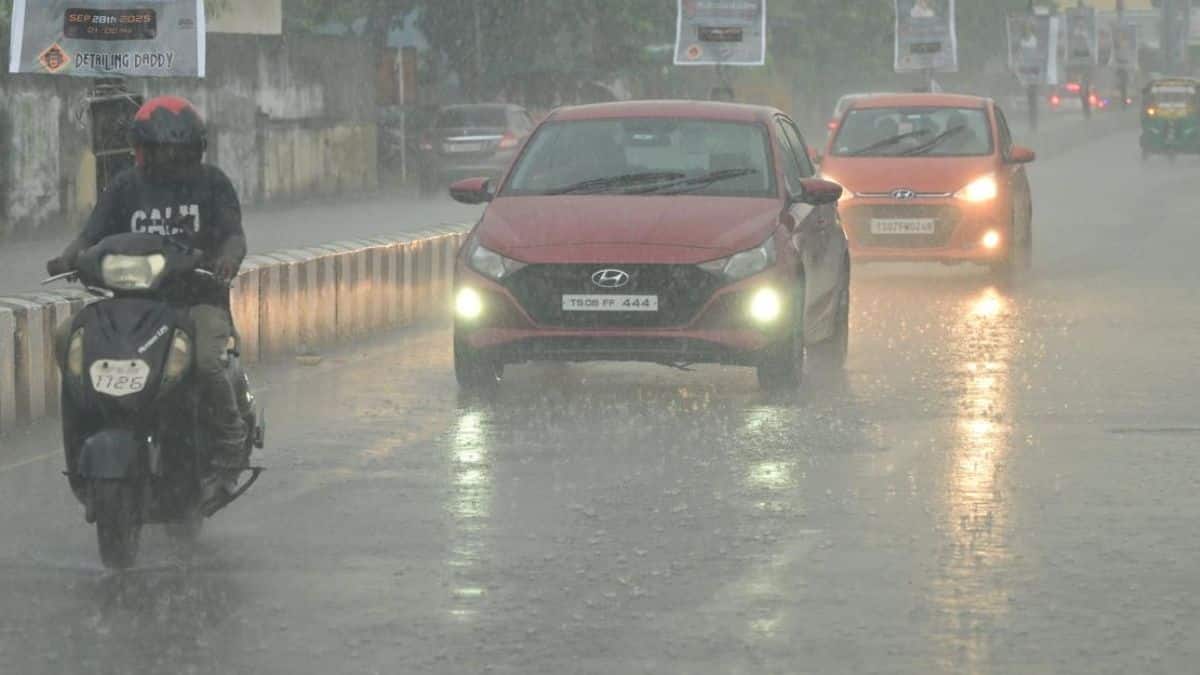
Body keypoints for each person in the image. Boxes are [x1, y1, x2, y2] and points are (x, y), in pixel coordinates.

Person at [47, 95, 249, 485]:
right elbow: (89, 236)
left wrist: (227, 260)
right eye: (160, 151)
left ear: (196, 149)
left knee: (208, 360)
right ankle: (83, 432)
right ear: (141, 151)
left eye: (180, 151)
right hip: (130, 306)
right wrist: (67, 258)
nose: (170, 159)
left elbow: (233, 236)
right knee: (66, 338)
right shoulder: (124, 186)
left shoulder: (213, 183)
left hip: (196, 303)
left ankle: (229, 436)